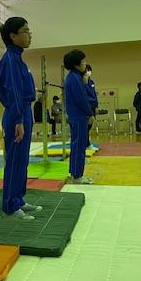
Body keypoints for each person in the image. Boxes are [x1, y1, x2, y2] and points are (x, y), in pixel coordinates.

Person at [0, 17, 43, 220]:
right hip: (17, 113)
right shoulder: (10, 60)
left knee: (22, 161)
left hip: (24, 112)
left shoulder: (18, 59)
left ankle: (18, 199)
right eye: (25, 31)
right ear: (13, 36)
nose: (29, 34)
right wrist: (18, 120)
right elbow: (13, 92)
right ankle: (10, 206)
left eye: (29, 30)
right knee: (15, 162)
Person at [64, 49, 94, 185]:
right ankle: (77, 176)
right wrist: (89, 113)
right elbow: (81, 99)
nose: (85, 63)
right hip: (78, 116)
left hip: (75, 116)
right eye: (83, 61)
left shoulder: (74, 77)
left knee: (77, 146)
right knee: (79, 146)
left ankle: (75, 174)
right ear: (76, 64)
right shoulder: (75, 79)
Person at [83, 64, 98, 151]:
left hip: (93, 105)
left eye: (89, 70)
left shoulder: (92, 82)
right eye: (87, 70)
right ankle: (86, 144)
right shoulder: (82, 82)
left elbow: (94, 94)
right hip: (87, 106)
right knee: (86, 127)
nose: (89, 72)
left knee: (89, 126)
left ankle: (86, 143)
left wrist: (96, 106)